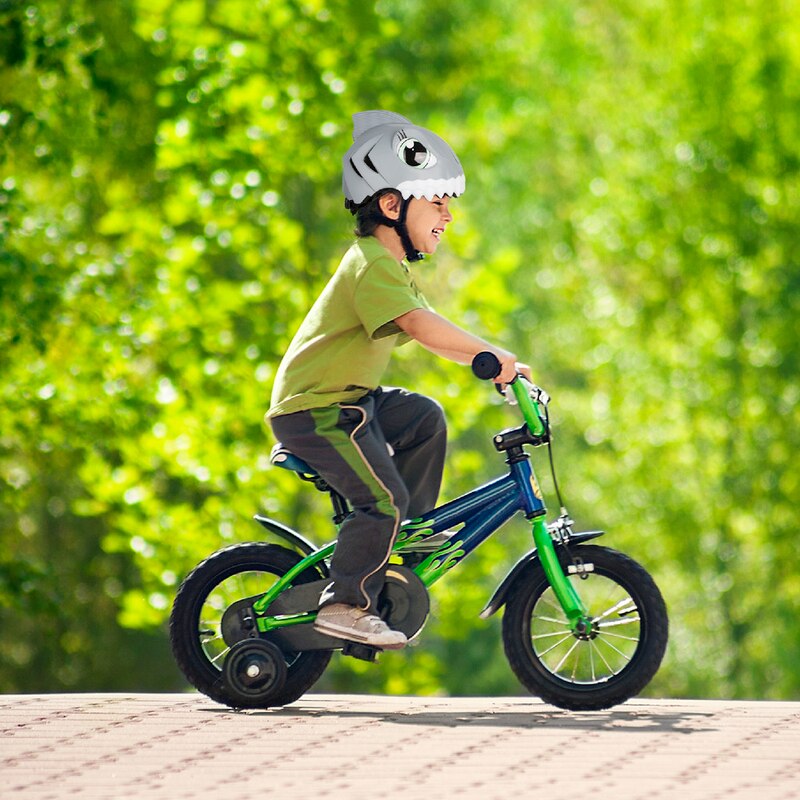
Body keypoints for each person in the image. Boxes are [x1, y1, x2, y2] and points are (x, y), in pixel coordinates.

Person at [267, 110, 530, 650]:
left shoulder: (390, 268)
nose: (449, 215)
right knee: (379, 501)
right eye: (437, 201)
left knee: (423, 417)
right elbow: (424, 327)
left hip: (350, 404)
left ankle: (403, 540)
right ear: (391, 204)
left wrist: (489, 364)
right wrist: (492, 354)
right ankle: (345, 601)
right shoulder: (370, 264)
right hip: (315, 411)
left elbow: (431, 329)